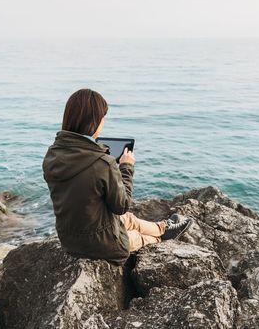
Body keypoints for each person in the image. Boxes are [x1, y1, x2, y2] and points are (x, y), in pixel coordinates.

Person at [42, 88, 193, 265]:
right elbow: (121, 205)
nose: (103, 123)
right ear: (93, 122)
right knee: (136, 235)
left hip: (69, 240)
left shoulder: (52, 155)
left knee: (128, 219)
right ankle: (162, 237)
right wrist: (126, 167)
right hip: (101, 245)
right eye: (102, 118)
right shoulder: (102, 164)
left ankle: (163, 228)